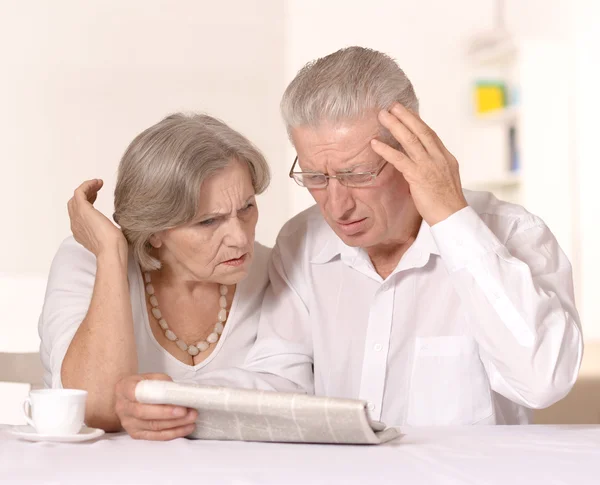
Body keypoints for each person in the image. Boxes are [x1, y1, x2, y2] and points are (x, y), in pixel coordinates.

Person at [180, 46, 583, 428]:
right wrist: (176, 397)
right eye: (316, 178)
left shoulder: (515, 233)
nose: (337, 206)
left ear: (413, 150)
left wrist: (451, 218)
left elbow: (542, 381)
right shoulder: (301, 242)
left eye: (357, 175)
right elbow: (282, 382)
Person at [38, 113, 271, 439]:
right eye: (208, 221)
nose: (240, 238)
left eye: (246, 207)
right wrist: (111, 253)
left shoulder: (271, 270)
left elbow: (294, 395)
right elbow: (96, 408)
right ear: (155, 231)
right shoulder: (87, 259)